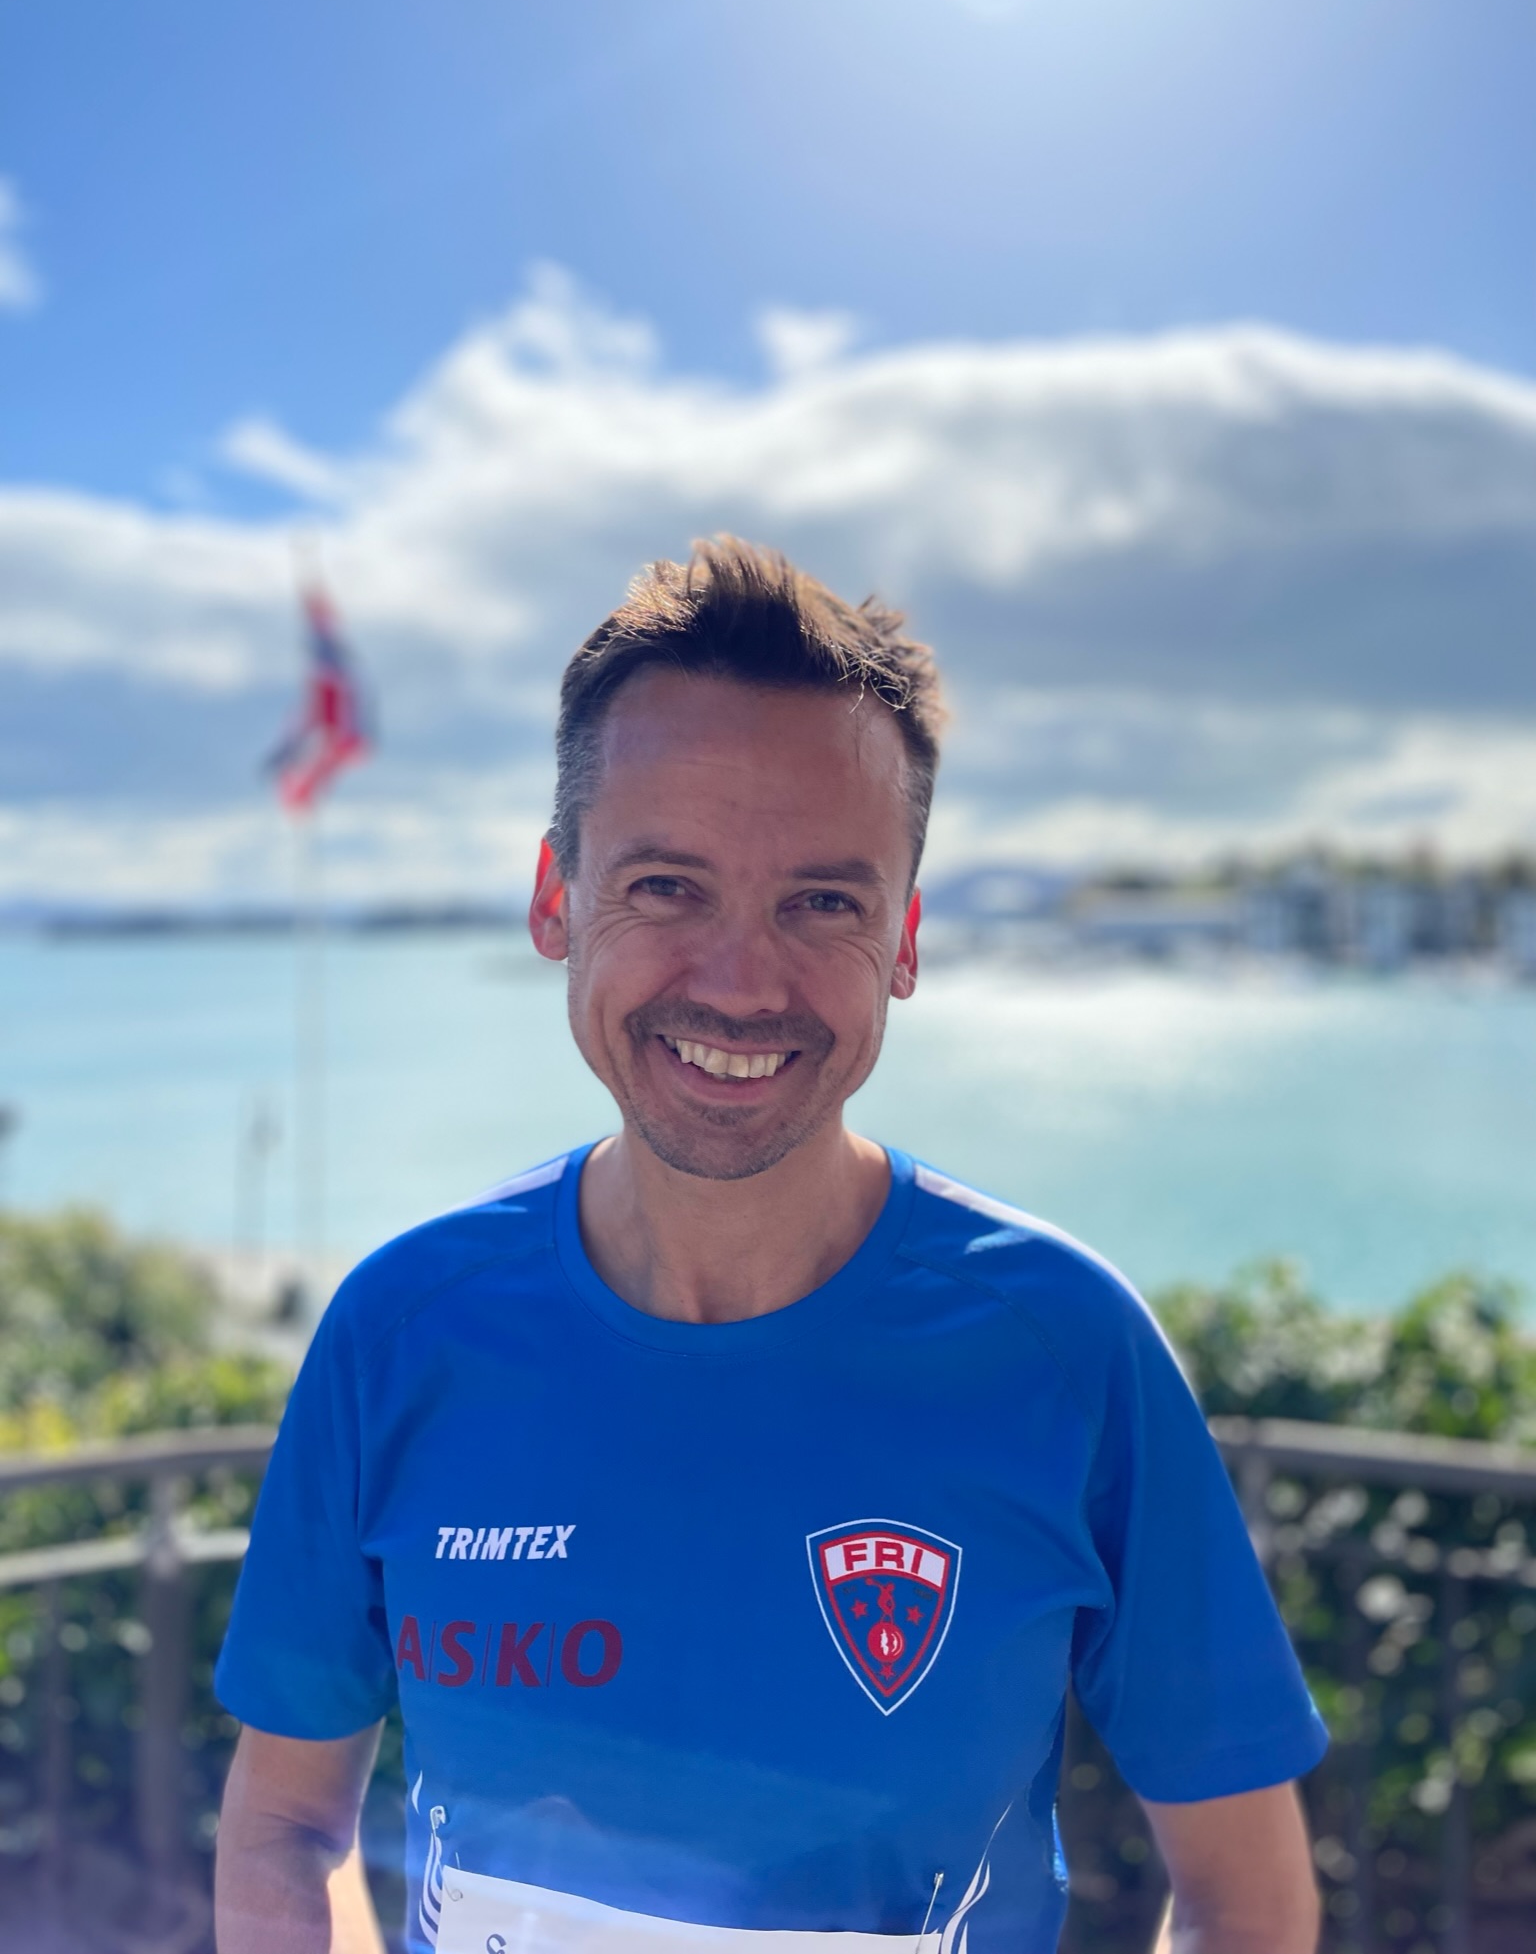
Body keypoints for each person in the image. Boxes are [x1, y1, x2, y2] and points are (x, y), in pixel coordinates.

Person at [214, 539, 1326, 1954]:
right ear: (557, 898)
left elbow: (1244, 1895)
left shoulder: (1068, 1350)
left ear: (903, 940)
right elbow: (283, 1823)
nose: (740, 985)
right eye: (666, 886)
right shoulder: (399, 1332)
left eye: (823, 902)